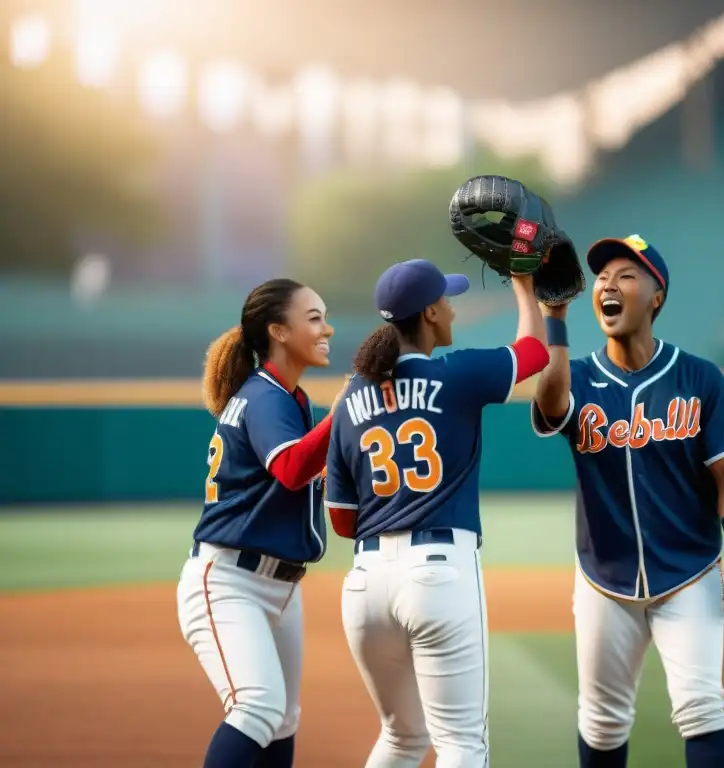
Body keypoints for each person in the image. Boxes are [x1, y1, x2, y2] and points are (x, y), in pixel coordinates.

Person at [530, 235, 724, 768]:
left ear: (657, 296)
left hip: (689, 573)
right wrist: (554, 319)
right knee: (602, 721)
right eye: (602, 278)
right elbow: (551, 401)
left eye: (626, 276)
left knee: (703, 709)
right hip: (604, 580)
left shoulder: (698, 377)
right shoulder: (578, 376)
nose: (608, 285)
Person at [325, 258, 550, 768]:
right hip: (438, 575)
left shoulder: (351, 396)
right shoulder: (458, 373)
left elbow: (342, 521)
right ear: (429, 313)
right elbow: (535, 352)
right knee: (461, 744)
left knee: (402, 737)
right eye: (446, 300)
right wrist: (524, 285)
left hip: (365, 584)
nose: (451, 309)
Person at [176, 278, 337, 768]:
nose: (327, 328)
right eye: (314, 318)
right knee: (258, 708)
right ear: (278, 331)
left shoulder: (289, 398)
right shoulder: (266, 397)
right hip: (231, 581)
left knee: (282, 719)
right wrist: (344, 412)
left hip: (279, 584)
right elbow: (291, 468)